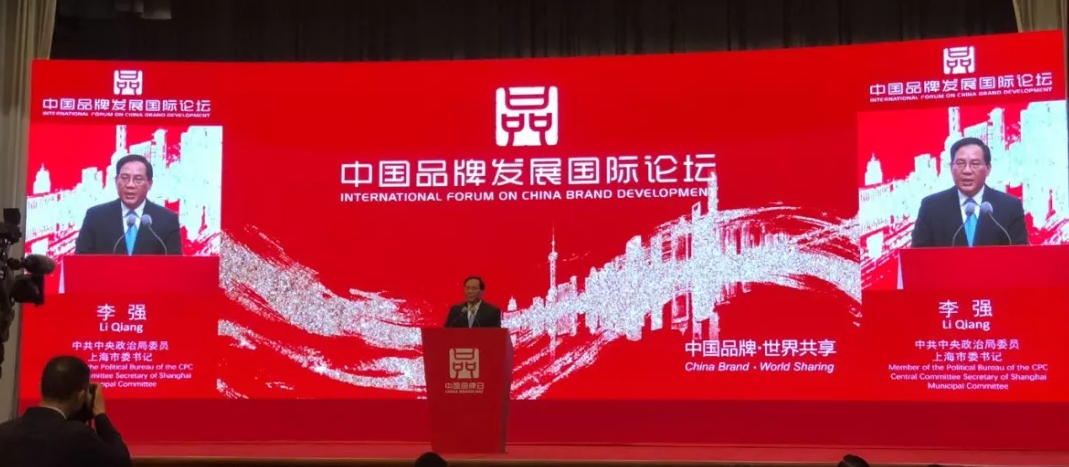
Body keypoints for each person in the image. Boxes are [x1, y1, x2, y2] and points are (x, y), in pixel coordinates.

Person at [0, 355, 131, 467]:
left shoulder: (4, 431)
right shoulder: (79, 436)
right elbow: (121, 463)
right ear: (81, 396)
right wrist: (100, 414)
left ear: (40, 388)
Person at [910, 137, 1028, 248]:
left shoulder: (1010, 206)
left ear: (988, 169)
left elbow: (1021, 255)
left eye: (975, 164)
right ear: (951, 168)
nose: (967, 170)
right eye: (960, 163)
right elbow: (917, 257)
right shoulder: (931, 207)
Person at [74, 154, 183, 255]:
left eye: (138, 179)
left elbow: (174, 264)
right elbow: (80, 261)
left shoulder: (167, 220)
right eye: (125, 178)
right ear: (116, 181)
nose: (130, 185)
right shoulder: (95, 217)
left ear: (149, 184)